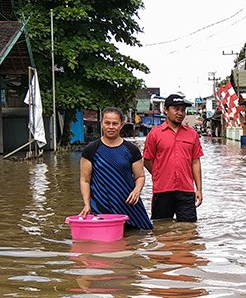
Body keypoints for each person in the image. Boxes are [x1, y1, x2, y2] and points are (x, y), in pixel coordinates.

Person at [79, 107, 153, 230]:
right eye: (107, 123)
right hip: (101, 204)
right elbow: (85, 180)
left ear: (121, 125)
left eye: (115, 123)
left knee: (138, 236)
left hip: (128, 204)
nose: (111, 127)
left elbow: (140, 176)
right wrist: (87, 204)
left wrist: (136, 191)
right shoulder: (90, 150)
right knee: (103, 237)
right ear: (102, 124)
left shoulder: (131, 150)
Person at [143, 94, 204, 222]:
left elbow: (195, 162)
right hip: (162, 190)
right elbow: (147, 160)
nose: (180, 113)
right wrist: (159, 174)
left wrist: (199, 189)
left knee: (189, 228)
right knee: (161, 227)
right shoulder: (155, 134)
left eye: (182, 110)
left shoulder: (192, 134)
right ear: (165, 110)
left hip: (186, 190)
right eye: (176, 109)